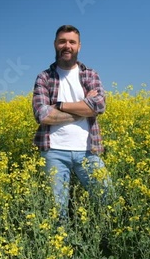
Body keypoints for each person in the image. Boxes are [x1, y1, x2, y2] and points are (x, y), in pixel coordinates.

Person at [32, 24, 112, 221]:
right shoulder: (44, 77)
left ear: (79, 46)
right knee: (57, 211)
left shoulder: (90, 75)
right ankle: (62, 249)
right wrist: (82, 109)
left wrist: (59, 105)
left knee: (108, 201)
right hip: (54, 152)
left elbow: (99, 106)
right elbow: (42, 115)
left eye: (71, 42)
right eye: (62, 41)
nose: (67, 46)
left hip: (88, 150)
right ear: (55, 44)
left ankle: (107, 243)